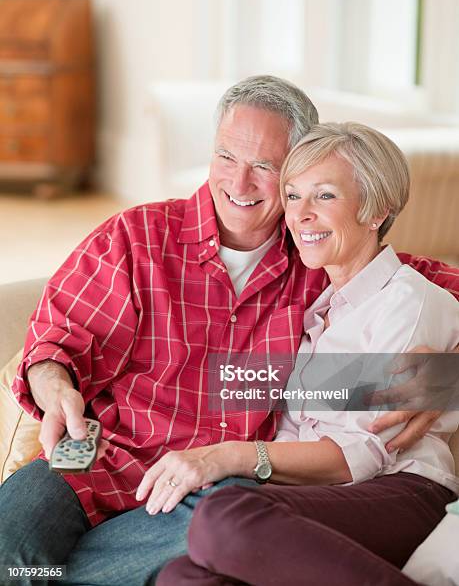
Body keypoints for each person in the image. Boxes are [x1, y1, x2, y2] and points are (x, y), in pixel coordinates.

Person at [0, 76, 457, 586]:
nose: (239, 184)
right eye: (226, 158)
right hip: (98, 457)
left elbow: (415, 290)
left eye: (265, 167)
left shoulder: (320, 249)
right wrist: (53, 383)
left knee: (211, 529)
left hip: (213, 483)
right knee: (10, 540)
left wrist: (447, 371)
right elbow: (57, 339)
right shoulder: (136, 237)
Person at [156, 123, 459, 586]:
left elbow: (363, 453)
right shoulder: (317, 311)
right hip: (320, 500)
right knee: (181, 576)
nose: (301, 215)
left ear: (377, 209)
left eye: (325, 196)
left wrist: (229, 456)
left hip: (402, 491)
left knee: (224, 515)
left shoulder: (408, 302)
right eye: (293, 196)